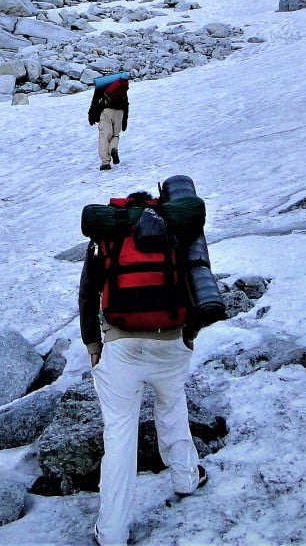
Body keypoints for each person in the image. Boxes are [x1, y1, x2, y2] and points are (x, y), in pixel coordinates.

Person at [78, 197, 206, 546]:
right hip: (171, 342)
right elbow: (196, 285)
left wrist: (93, 345)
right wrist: (188, 336)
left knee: (119, 435)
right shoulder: (175, 229)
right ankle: (185, 478)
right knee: (172, 408)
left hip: (121, 346)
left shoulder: (110, 235)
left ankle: (112, 532)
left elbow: (88, 294)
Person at [88, 76, 129, 171]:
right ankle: (113, 149)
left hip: (106, 112)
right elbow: (126, 103)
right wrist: (125, 120)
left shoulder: (101, 84)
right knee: (115, 135)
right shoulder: (120, 84)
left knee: (104, 137)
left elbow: (95, 101)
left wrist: (92, 116)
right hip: (119, 112)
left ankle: (105, 163)